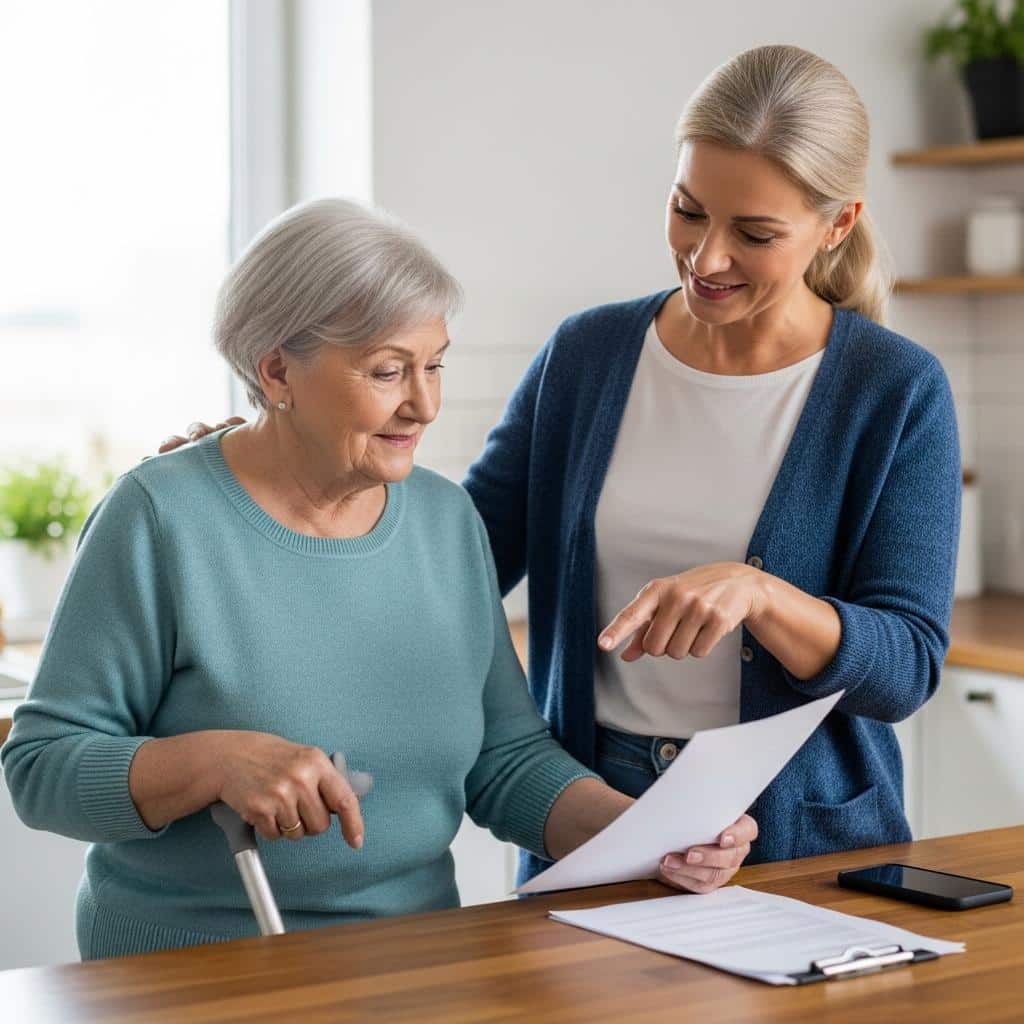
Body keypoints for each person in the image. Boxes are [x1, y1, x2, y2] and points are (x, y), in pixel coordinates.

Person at [162, 44, 961, 888]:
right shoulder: (589, 356)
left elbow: (906, 665)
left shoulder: (894, 391)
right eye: (688, 211)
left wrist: (760, 594)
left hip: (805, 835)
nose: (707, 257)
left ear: (836, 225)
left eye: (755, 233)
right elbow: (450, 557)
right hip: (593, 810)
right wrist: (266, 475)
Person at [1, 199, 756, 960]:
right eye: (388, 370)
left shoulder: (445, 520)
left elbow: (505, 759)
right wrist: (212, 761)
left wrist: (650, 833)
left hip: (417, 966)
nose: (424, 403)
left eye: (434, 365)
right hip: (196, 969)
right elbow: (41, 767)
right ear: (276, 370)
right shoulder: (159, 518)